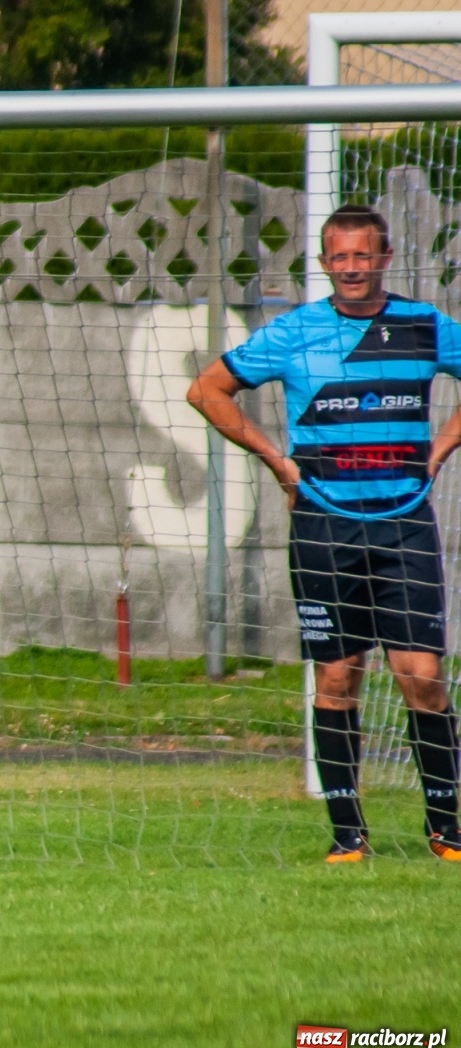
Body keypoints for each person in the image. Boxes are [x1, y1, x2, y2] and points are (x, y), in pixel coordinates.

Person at [188, 203, 461, 865]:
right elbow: (207, 390)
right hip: (323, 526)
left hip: (404, 525)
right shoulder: (294, 333)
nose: (350, 270)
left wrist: (441, 449)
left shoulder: (426, 327)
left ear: (385, 258)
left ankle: (447, 829)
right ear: (324, 262)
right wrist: (277, 461)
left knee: (422, 676)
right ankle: (348, 837)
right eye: (338, 258)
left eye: (361, 256)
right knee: (336, 677)